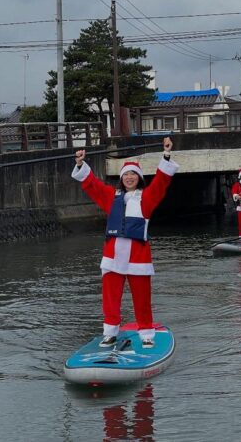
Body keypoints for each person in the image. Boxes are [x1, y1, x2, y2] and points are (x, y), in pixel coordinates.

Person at [72, 137, 178, 348]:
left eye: (133, 175)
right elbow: (92, 185)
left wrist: (166, 154)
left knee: (142, 298)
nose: (130, 177)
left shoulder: (146, 198)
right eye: (126, 174)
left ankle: (147, 333)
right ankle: (110, 332)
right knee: (110, 298)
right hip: (113, 256)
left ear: (139, 178)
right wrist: (80, 164)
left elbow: (161, 182)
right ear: (121, 178)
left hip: (138, 257)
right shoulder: (111, 197)